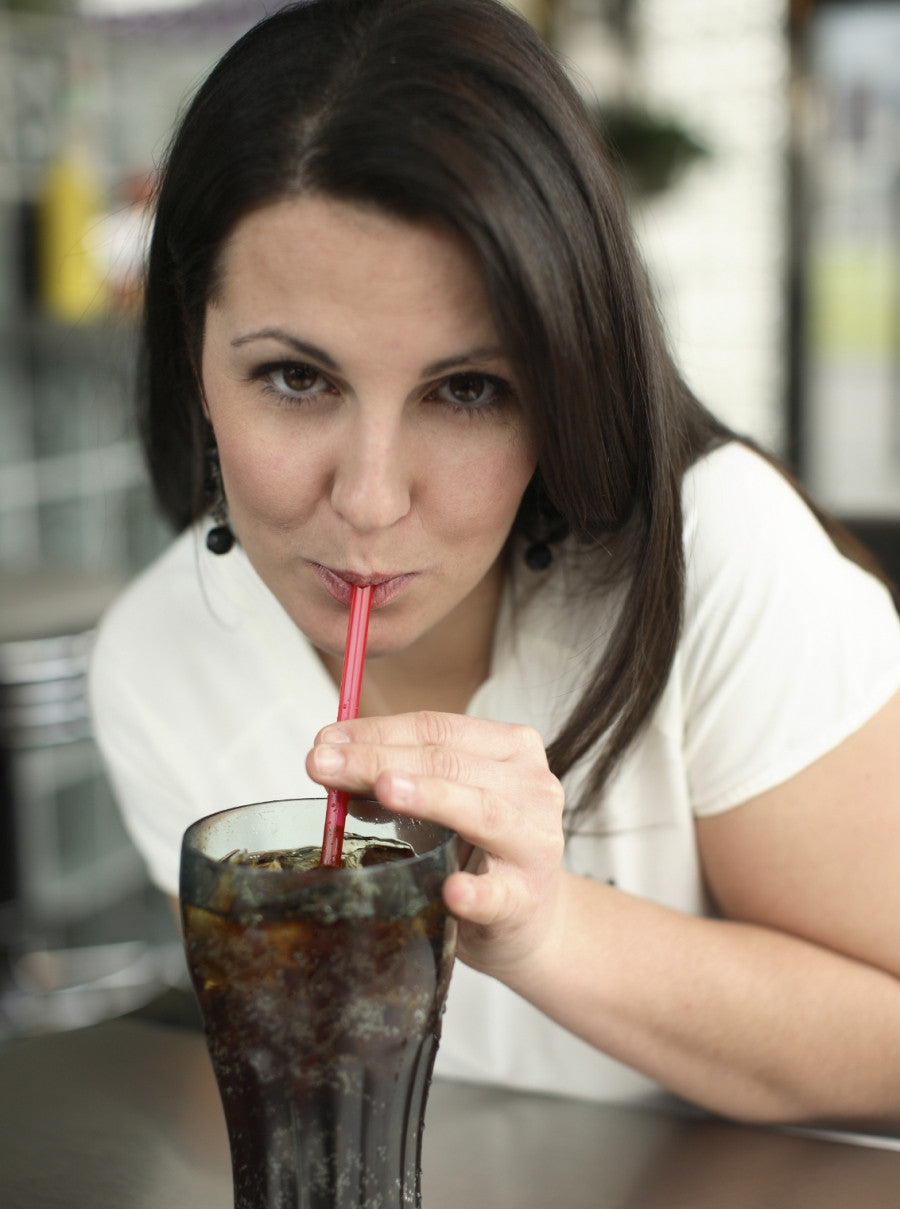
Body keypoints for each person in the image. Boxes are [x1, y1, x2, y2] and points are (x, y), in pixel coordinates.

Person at [89, 0, 900, 1129]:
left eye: (467, 389)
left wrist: (552, 929)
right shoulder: (155, 660)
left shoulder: (722, 560)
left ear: (564, 373)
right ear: (193, 352)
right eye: (295, 377)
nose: (371, 498)